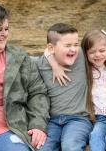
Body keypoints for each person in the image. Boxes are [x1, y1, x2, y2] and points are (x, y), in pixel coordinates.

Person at [0, 2, 49, 151]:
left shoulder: (19, 58)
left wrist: (38, 125)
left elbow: (38, 93)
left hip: (5, 129)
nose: (4, 34)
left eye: (6, 29)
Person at [37, 23, 93, 151]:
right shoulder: (41, 63)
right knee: (43, 148)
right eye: (68, 45)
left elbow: (101, 47)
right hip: (52, 121)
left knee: (70, 146)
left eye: (76, 44)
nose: (73, 49)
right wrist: (53, 64)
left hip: (78, 119)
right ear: (52, 48)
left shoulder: (81, 57)